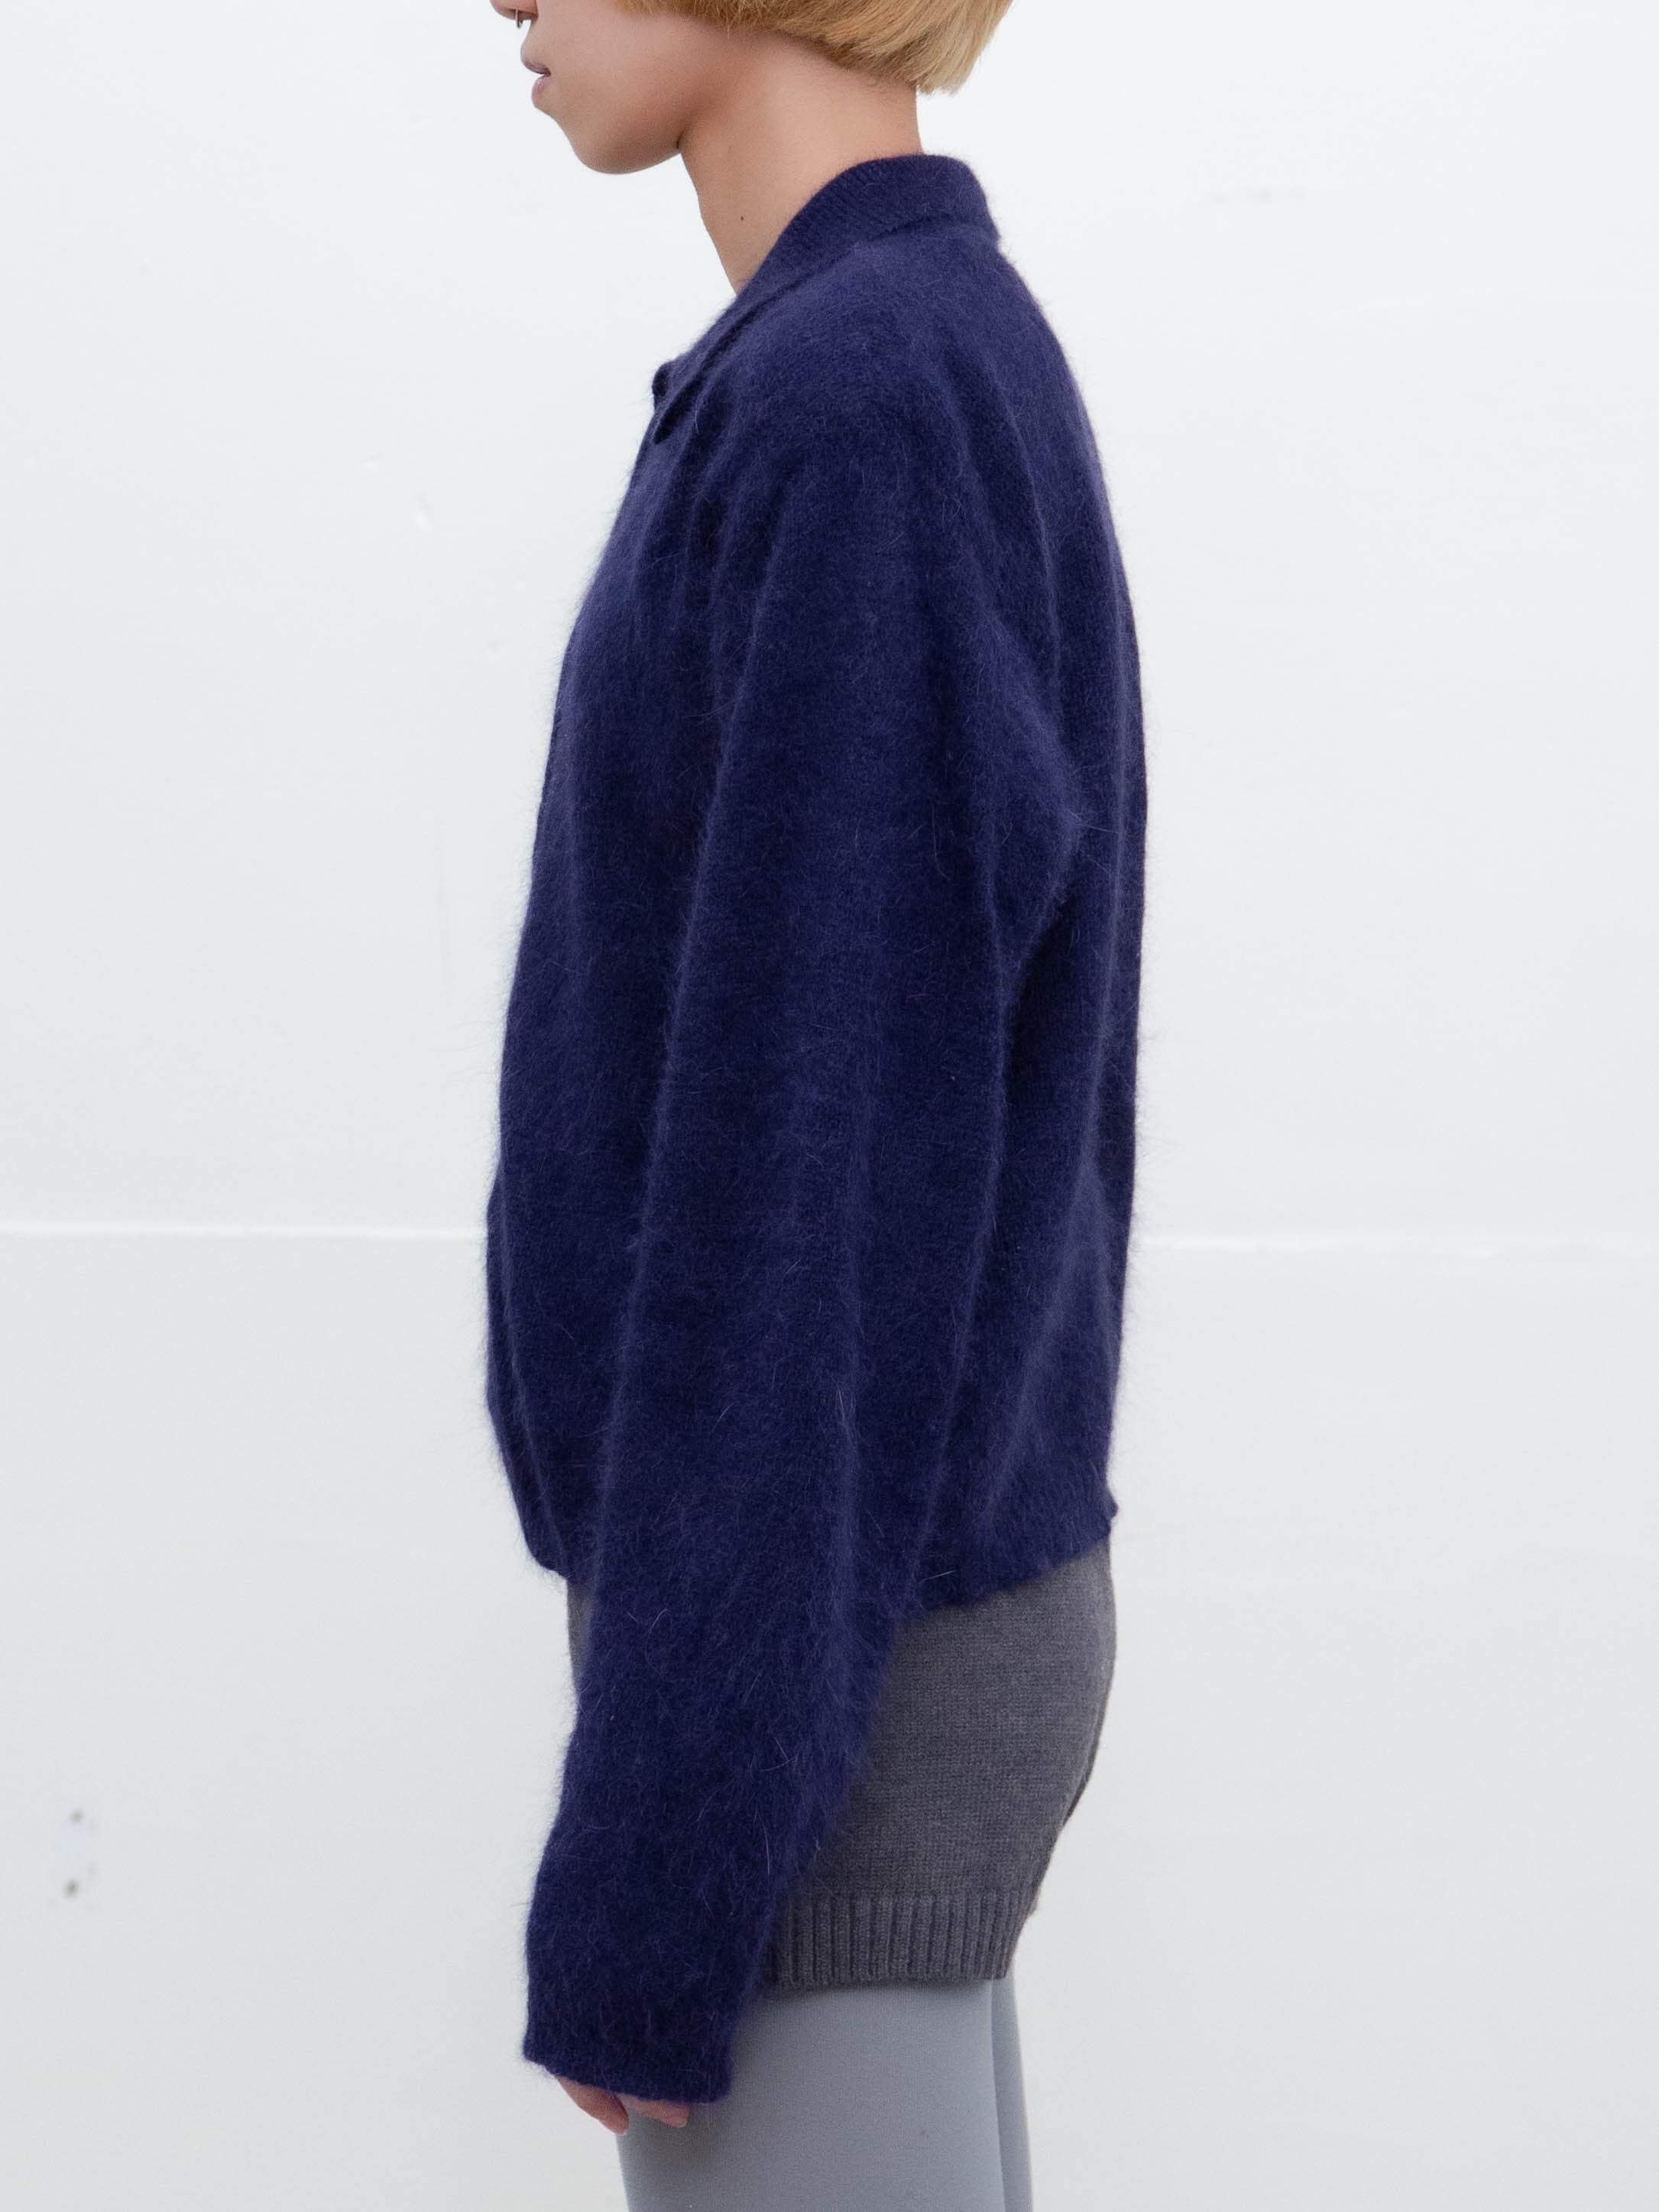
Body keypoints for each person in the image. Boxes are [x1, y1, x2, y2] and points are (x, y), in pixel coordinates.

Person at [481, 2, 1147, 2204]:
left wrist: (661, 1862)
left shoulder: (860, 403)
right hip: (839, 1646)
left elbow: (818, 1195)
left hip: (820, 1689)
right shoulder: (871, 361)